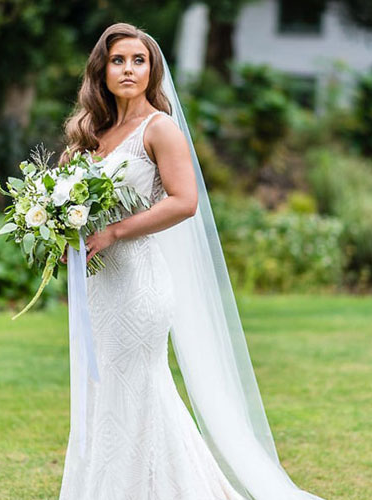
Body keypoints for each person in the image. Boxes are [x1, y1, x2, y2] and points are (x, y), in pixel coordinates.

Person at [57, 23, 324, 500]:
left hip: (139, 282)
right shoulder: (91, 132)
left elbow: (184, 201)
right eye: (118, 60)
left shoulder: (159, 128)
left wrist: (115, 230)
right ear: (102, 69)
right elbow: (66, 198)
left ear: (152, 69)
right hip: (98, 285)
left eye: (139, 60)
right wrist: (58, 227)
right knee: (103, 391)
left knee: (140, 387)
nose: (128, 69)